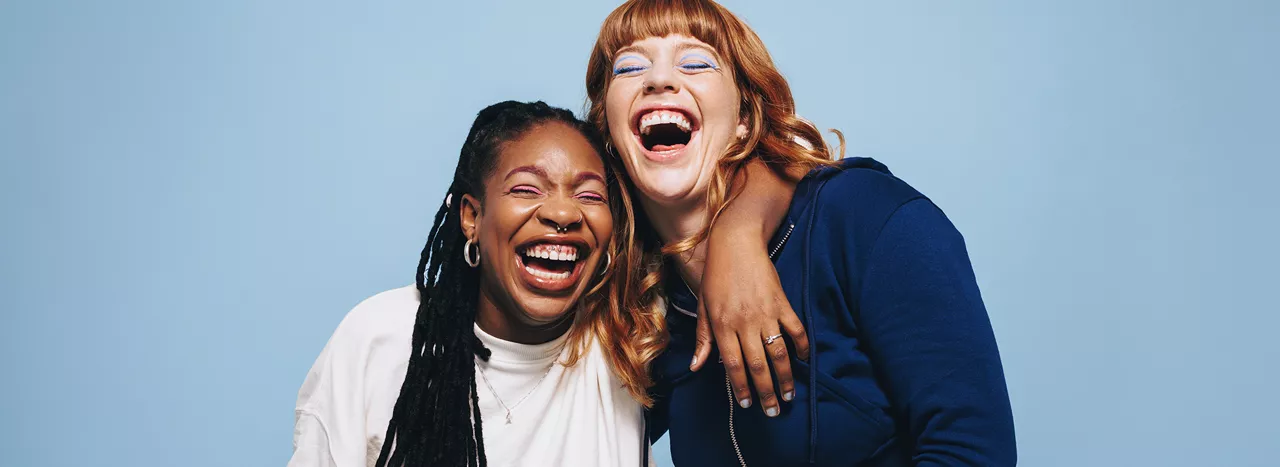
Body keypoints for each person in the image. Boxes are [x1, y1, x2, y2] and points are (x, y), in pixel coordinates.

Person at [584, 0, 1018, 465]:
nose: (658, 79)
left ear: (745, 118)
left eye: (695, 62)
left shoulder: (864, 217)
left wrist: (738, 231)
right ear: (610, 130)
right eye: (629, 67)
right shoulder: (640, 300)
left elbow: (972, 451)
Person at [287, 100, 788, 466]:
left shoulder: (627, 336)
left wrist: (739, 232)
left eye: (590, 196)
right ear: (471, 217)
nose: (563, 213)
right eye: (527, 189)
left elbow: (794, 157)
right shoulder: (382, 337)